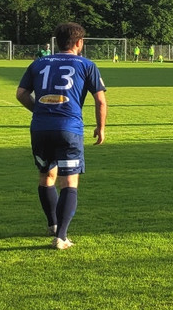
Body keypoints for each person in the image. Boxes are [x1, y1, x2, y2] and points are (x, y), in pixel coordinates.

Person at [16, 22, 107, 249]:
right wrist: (100, 127)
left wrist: (39, 109)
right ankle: (62, 237)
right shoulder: (87, 64)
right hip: (69, 128)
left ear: (57, 42)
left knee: (46, 176)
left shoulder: (39, 62)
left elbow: (21, 94)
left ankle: (53, 225)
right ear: (79, 42)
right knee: (69, 181)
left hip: (40, 128)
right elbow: (100, 100)